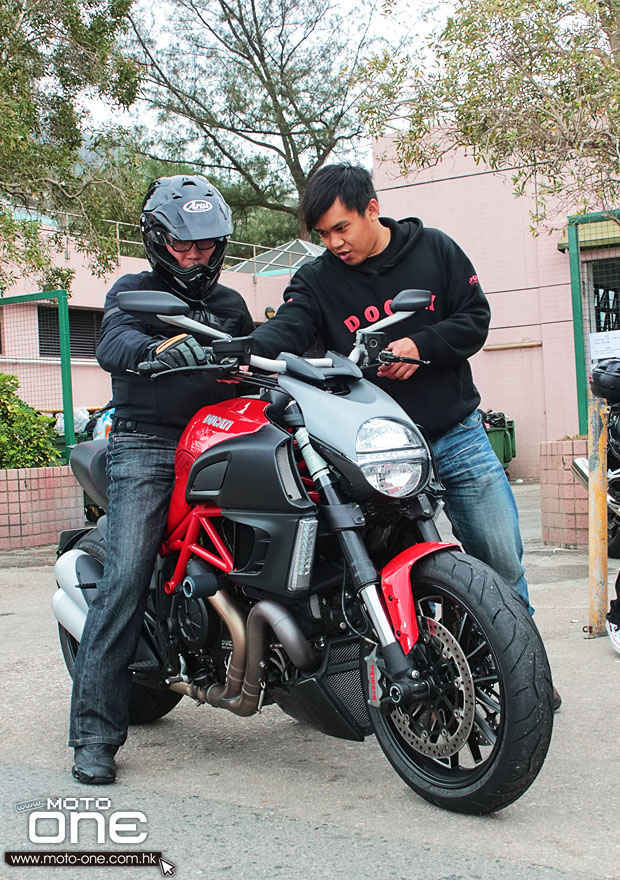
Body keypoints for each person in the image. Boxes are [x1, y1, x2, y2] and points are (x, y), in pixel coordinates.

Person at [251, 162, 561, 710]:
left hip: (456, 433)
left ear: (372, 207)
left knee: (500, 561)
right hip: (373, 449)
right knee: (408, 573)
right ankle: (430, 677)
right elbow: (290, 327)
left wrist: (420, 347)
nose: (334, 243)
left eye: (341, 228)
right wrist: (246, 347)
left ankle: (525, 679)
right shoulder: (318, 279)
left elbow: (475, 319)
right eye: (323, 234)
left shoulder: (435, 250)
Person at [69, 175, 255, 784]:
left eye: (206, 245)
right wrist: (156, 353)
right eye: (183, 245)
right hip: (150, 445)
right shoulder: (133, 290)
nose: (196, 256)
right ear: (157, 241)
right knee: (124, 575)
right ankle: (95, 735)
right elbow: (115, 340)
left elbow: (254, 353)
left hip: (224, 435)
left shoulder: (229, 305)